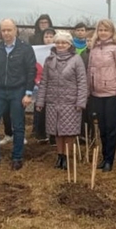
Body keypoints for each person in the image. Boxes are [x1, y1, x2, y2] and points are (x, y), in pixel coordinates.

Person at [0, 19, 36, 171]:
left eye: (9, 30)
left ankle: (17, 157)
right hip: (0, 91)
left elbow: (32, 71)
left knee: (18, 126)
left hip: (18, 91)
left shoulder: (25, 48)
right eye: (3, 30)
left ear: (15, 30)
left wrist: (28, 93)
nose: (6, 33)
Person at [36, 32, 87, 169]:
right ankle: (59, 156)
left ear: (70, 44)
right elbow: (44, 81)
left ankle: (67, 157)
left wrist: (80, 102)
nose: (60, 45)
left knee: (68, 132)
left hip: (70, 102)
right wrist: (40, 101)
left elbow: (82, 82)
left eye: (64, 42)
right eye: (58, 42)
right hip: (53, 101)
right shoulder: (49, 60)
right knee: (57, 131)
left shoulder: (76, 59)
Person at [88, 19, 116, 172]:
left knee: (111, 128)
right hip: (96, 93)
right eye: (101, 30)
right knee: (102, 128)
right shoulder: (93, 47)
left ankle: (110, 159)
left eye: (106, 30)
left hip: (111, 93)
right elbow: (89, 69)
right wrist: (88, 90)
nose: (103, 32)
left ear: (112, 32)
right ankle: (104, 157)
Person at [32, 27, 56, 144]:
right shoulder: (37, 50)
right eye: (46, 36)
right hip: (41, 85)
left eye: (51, 36)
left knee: (53, 111)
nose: (48, 39)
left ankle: (53, 135)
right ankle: (40, 134)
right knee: (40, 110)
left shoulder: (58, 51)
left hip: (55, 87)